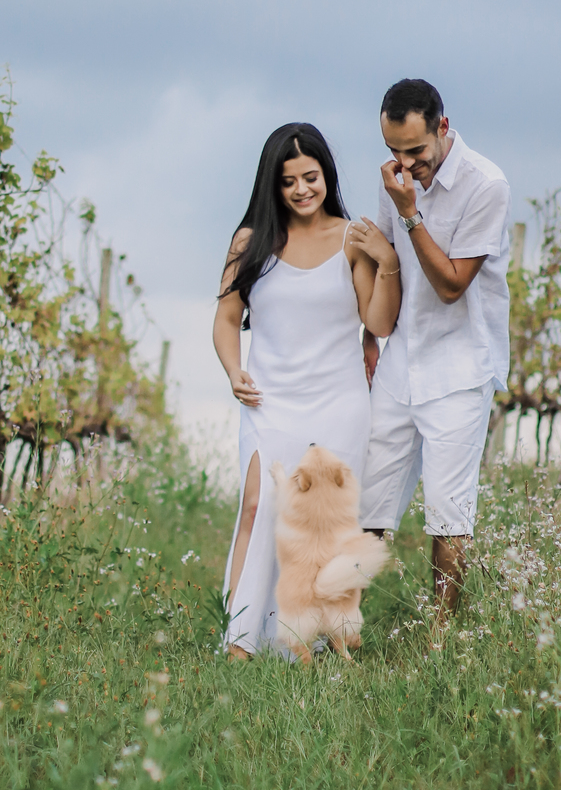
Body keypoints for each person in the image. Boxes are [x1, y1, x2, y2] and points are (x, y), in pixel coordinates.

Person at [213, 123, 401, 659]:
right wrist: (233, 370)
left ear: (326, 176)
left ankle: (316, 643)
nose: (301, 190)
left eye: (310, 177)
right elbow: (226, 319)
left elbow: (379, 323)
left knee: (328, 523)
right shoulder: (249, 242)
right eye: (288, 180)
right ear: (272, 185)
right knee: (257, 506)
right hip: (268, 401)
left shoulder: (350, 239)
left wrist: (387, 263)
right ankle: (239, 642)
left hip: (339, 402)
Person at [359, 78, 510, 627]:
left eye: (416, 151)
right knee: (369, 501)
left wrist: (410, 213)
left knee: (448, 515)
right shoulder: (395, 179)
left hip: (461, 365)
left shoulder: (486, 185)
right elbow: (383, 260)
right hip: (402, 356)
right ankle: (335, 631)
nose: (405, 164)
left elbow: (450, 286)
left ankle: (440, 642)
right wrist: (368, 337)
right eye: (393, 151)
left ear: (442, 127)